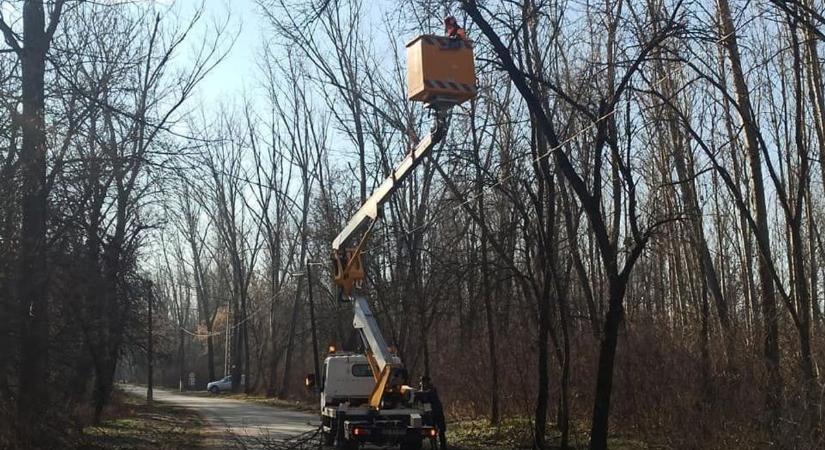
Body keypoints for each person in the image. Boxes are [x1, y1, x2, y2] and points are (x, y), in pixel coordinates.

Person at [419, 375, 447, 449]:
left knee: (441, 430)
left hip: (437, 412)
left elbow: (426, 396)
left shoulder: (432, 390)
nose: (424, 384)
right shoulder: (423, 391)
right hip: (430, 414)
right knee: (432, 431)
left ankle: (442, 446)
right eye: (422, 382)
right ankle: (434, 446)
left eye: (425, 382)